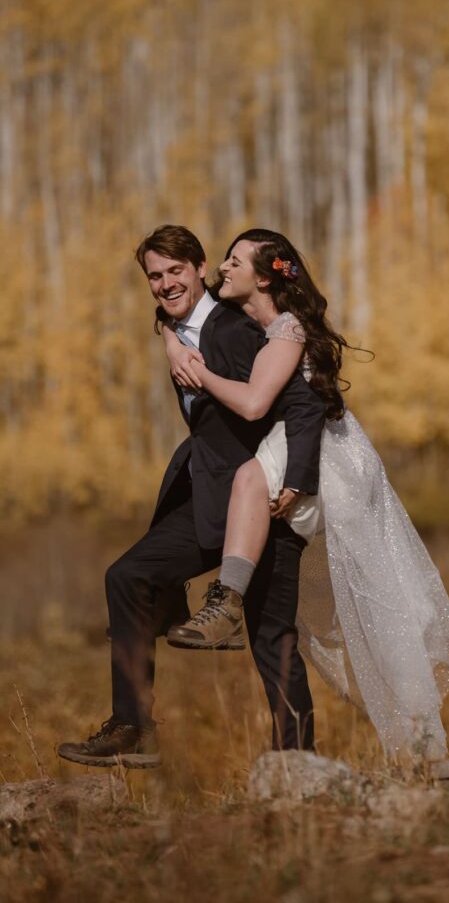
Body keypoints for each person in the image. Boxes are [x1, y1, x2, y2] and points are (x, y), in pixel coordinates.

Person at [162, 229, 449, 761]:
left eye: (234, 262)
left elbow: (256, 405)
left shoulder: (287, 327)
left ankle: (227, 601)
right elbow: (175, 307)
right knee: (363, 604)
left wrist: (200, 372)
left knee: (252, 482)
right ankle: (415, 742)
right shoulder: (256, 323)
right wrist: (170, 339)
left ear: (261, 276)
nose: (222, 270)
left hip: (329, 455)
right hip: (319, 448)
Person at [57, 225, 325, 768]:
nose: (165, 283)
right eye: (154, 276)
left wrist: (297, 480)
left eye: (176, 270)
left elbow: (304, 401)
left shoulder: (231, 330)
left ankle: (297, 767)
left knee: (273, 640)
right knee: (128, 576)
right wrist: (168, 334)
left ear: (200, 268)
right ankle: (134, 727)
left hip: (261, 504)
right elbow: (173, 315)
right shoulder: (183, 324)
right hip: (210, 497)